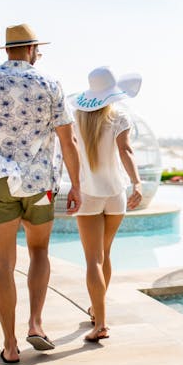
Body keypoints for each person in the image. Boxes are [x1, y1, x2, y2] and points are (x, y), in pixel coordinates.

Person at [0, 23, 81, 364]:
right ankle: (36, 324)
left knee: (3, 263)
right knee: (39, 250)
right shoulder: (50, 83)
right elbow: (68, 141)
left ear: (8, 50)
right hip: (39, 181)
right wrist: (77, 185)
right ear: (31, 50)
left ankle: (10, 345)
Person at [69, 66, 143, 342]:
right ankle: (95, 310)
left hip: (88, 193)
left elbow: (68, 155)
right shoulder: (119, 117)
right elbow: (126, 151)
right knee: (105, 254)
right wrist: (137, 182)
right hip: (115, 193)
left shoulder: (76, 118)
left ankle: (100, 322)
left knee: (93, 259)